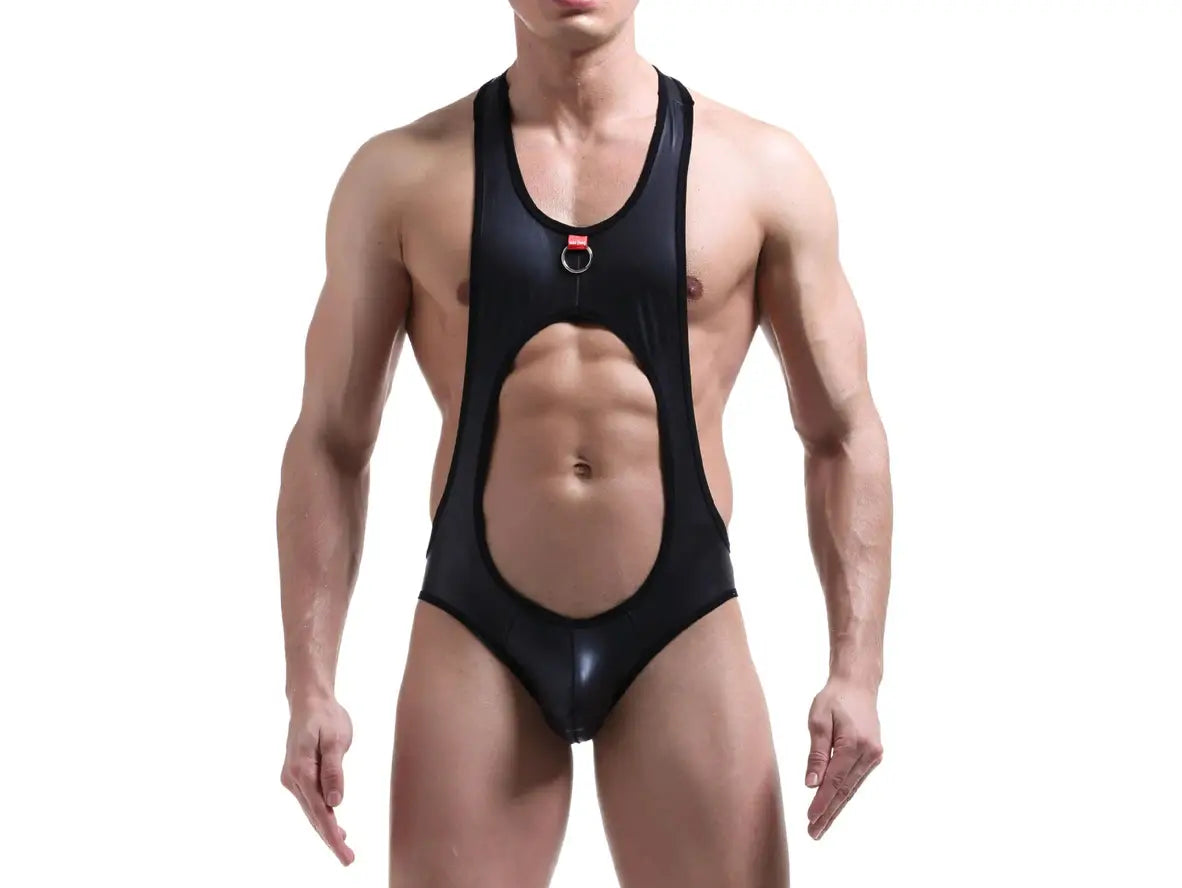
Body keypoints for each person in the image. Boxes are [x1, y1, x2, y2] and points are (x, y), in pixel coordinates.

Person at [276, 0, 892, 884]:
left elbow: (842, 430)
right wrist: (309, 687)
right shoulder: (399, 177)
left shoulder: (759, 172)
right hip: (476, 628)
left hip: (682, 623)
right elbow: (331, 441)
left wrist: (856, 672)